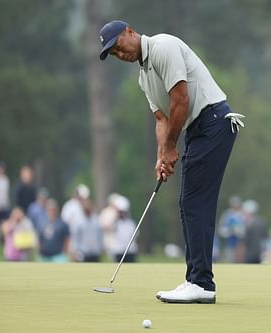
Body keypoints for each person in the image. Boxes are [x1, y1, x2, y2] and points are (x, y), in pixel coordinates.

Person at [99, 20, 243, 304]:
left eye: (118, 46)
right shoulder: (143, 76)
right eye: (113, 53)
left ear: (129, 31)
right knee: (189, 203)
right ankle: (196, 280)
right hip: (198, 130)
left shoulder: (163, 46)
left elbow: (181, 100)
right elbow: (162, 119)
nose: (120, 54)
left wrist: (171, 147)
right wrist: (161, 156)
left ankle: (201, 283)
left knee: (195, 203)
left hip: (213, 122)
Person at [70, 198, 103, 262]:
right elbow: (75, 237)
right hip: (83, 252)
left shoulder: (95, 219)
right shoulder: (78, 220)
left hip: (95, 251)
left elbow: (99, 234)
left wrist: (101, 246)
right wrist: (74, 251)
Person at [108, 195, 138, 263]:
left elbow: (135, 236)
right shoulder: (115, 222)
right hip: (118, 252)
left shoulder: (130, 223)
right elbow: (108, 228)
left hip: (130, 252)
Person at [218, 196, 245, 262]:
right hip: (229, 242)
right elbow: (221, 229)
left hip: (241, 242)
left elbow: (246, 228)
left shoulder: (243, 214)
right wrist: (230, 231)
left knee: (240, 259)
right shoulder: (227, 214)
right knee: (229, 258)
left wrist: (239, 232)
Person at [241, 200, 268, 264]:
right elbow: (265, 236)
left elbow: (245, 240)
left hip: (250, 253)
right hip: (261, 253)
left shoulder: (248, 224)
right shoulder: (262, 222)